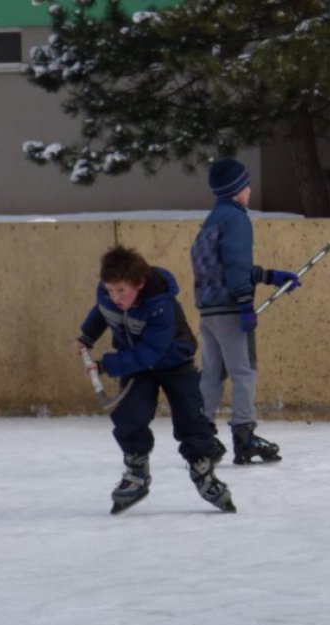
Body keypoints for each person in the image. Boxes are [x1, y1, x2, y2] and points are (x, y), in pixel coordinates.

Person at [77, 245, 236, 513]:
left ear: (139, 284)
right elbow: (102, 311)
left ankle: (202, 471)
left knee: (191, 418)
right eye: (109, 289)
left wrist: (107, 364)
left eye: (121, 291)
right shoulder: (107, 295)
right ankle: (136, 471)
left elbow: (150, 352)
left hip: (174, 362)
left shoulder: (161, 306)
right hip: (136, 364)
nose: (114, 297)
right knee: (129, 414)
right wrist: (86, 336)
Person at [191, 157, 300, 465]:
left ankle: (201, 436)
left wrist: (269, 276)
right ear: (236, 189)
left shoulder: (213, 219)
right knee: (244, 372)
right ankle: (244, 436)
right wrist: (244, 304)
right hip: (229, 311)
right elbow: (237, 268)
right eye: (246, 184)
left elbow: (224, 267)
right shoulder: (237, 219)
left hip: (208, 312)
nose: (250, 188)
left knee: (212, 374)